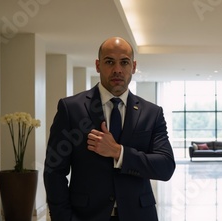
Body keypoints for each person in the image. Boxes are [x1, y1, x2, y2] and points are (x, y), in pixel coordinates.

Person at [44, 37, 176, 221]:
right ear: (98, 65)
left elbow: (165, 166)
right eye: (109, 62)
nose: (117, 70)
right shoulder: (71, 108)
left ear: (134, 66)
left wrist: (118, 152)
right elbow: (54, 171)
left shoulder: (152, 113)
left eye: (124, 62)